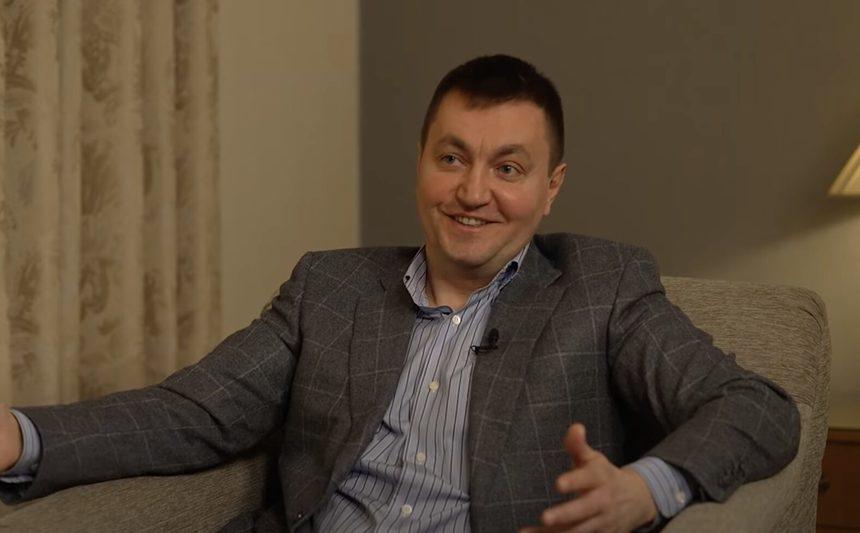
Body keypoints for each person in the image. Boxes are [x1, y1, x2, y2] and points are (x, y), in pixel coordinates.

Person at [0, 55, 799, 532]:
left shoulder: (602, 287)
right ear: (421, 161)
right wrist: (19, 435)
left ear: (551, 187)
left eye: (508, 168)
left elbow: (757, 407)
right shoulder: (329, 287)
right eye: (452, 158)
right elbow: (195, 412)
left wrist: (644, 489)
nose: (473, 192)